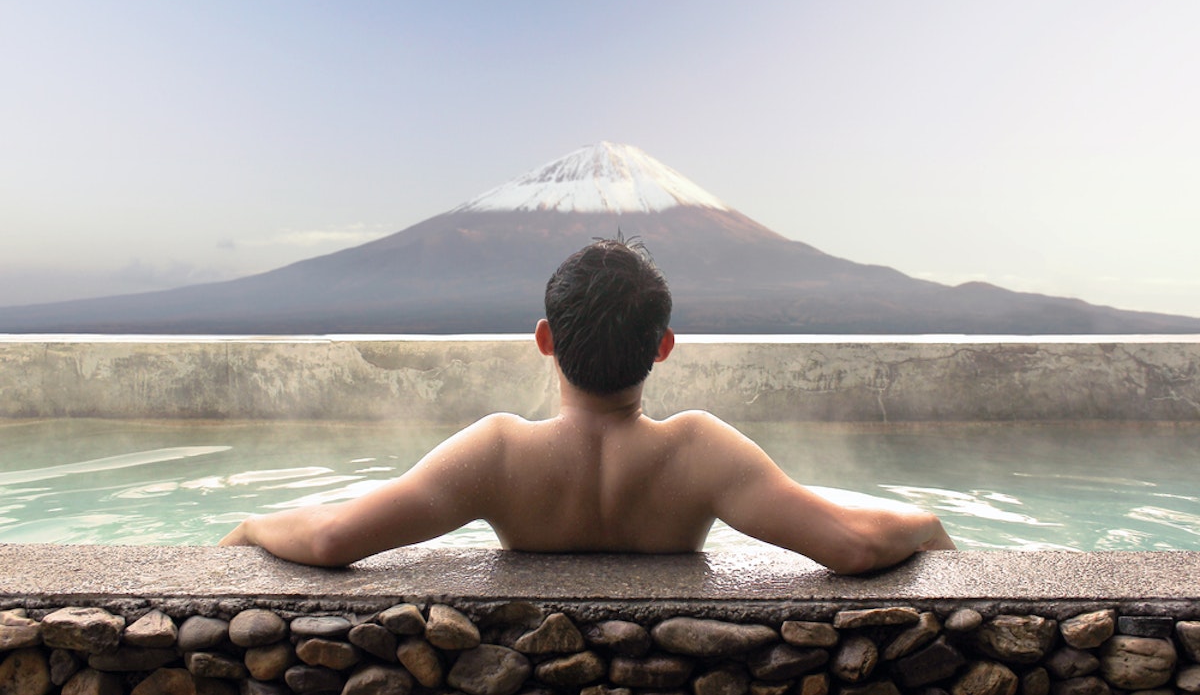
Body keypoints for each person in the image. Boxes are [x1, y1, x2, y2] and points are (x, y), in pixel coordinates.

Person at [220, 238, 955, 573]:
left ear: (545, 339)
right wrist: (923, 521)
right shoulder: (698, 452)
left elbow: (329, 542)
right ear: (663, 346)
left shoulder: (500, 453)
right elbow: (852, 545)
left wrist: (253, 524)